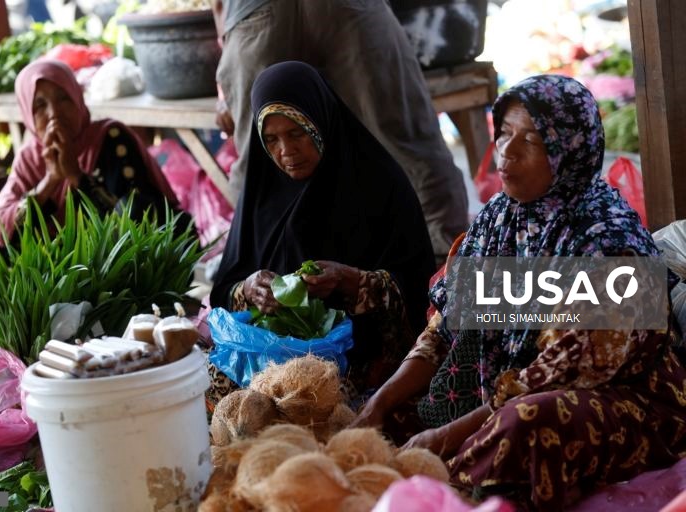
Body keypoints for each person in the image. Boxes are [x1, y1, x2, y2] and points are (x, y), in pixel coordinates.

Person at [352, 74, 686, 510]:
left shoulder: (611, 242)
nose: (506, 152)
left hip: (623, 403)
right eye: (505, 133)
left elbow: (556, 375)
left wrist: (450, 435)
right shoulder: (504, 219)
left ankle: (451, 489)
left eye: (531, 140)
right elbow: (449, 327)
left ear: (568, 150)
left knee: (527, 422)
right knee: (396, 413)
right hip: (510, 381)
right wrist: (378, 403)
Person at [209, 61, 435, 399]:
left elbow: (422, 293)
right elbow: (225, 288)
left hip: (355, 357)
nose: (286, 151)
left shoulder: (380, 184)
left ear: (320, 122)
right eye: (271, 139)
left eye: (297, 133)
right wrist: (250, 288)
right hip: (263, 357)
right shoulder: (262, 193)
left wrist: (354, 282)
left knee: (316, 403)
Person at [209, 0, 469, 257]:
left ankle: (266, 277)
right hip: (348, 9)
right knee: (407, 143)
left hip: (254, 14)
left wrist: (227, 74)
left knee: (260, 169)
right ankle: (449, 267)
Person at [0, 59, 182, 247]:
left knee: (133, 211)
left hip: (127, 271)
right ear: (28, 115)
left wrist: (76, 175)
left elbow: (140, 215)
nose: (54, 113)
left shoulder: (110, 138)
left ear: (78, 99)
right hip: (63, 276)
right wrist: (50, 180)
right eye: (40, 105)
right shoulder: (30, 158)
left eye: (63, 99)